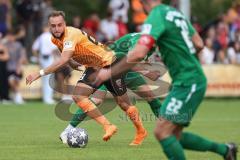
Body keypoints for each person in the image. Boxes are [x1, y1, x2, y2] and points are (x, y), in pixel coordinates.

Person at [92, 0, 238, 159]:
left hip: (189, 81)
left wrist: (108, 73)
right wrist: (175, 54)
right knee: (173, 135)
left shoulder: (156, 15)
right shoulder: (176, 14)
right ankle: (225, 150)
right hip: (188, 79)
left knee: (162, 132)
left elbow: (138, 53)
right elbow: (199, 43)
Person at [26, 11, 147, 145]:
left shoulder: (70, 34)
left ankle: (141, 131)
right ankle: (108, 126)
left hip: (109, 63)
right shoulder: (54, 39)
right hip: (94, 67)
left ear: (65, 24)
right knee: (78, 96)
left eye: (59, 25)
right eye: (53, 26)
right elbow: (66, 55)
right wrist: (72, 62)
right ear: (49, 27)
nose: (56, 28)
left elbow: (62, 59)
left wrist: (39, 73)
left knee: (124, 104)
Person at [59, 32, 163, 144]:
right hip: (107, 67)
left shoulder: (153, 44)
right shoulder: (140, 40)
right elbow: (131, 58)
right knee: (96, 100)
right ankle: (68, 129)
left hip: (127, 70)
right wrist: (148, 72)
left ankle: (161, 130)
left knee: (150, 98)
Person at [32, 25, 58, 104]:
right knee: (49, 78)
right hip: (49, 58)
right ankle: (48, 98)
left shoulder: (40, 37)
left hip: (42, 58)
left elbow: (34, 48)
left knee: (44, 78)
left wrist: (37, 58)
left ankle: (46, 97)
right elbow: (55, 48)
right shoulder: (50, 36)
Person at [5, 31, 27, 104]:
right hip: (8, 68)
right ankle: (17, 96)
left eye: (11, 36)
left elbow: (22, 56)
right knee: (11, 81)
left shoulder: (18, 45)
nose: (10, 38)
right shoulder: (5, 45)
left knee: (15, 82)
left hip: (16, 67)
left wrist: (19, 66)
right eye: (9, 36)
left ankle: (17, 96)